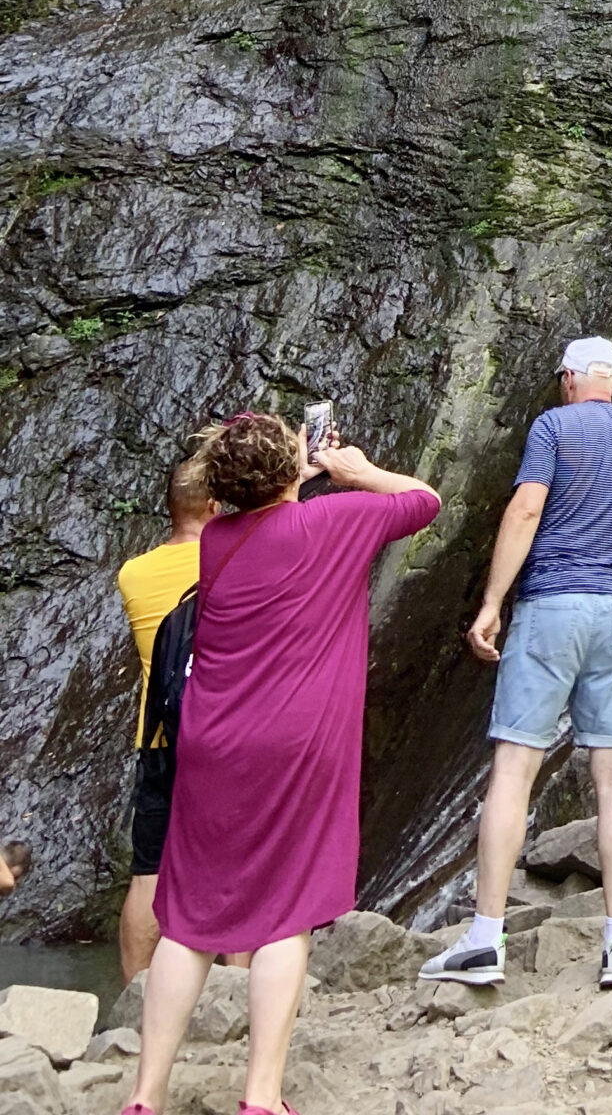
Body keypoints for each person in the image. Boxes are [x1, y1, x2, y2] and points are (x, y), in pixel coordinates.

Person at [127, 413, 439, 1115]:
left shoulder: (217, 539)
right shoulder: (334, 522)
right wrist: (353, 471)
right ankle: (261, 1095)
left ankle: (145, 1095)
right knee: (283, 914)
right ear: (291, 469)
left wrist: (294, 476)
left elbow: (265, 520)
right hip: (297, 742)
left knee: (186, 916)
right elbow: (423, 501)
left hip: (212, 740)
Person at [423, 335, 612, 992]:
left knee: (515, 765)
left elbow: (529, 507)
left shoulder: (553, 425)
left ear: (569, 378)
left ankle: (485, 938)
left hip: (554, 604)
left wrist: (492, 601)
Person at [116, 455, 217, 978]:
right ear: (217, 505)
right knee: (234, 867)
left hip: (156, 737)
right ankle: (234, 989)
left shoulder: (132, 574)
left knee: (147, 872)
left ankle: (135, 997)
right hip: (222, 735)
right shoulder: (231, 562)